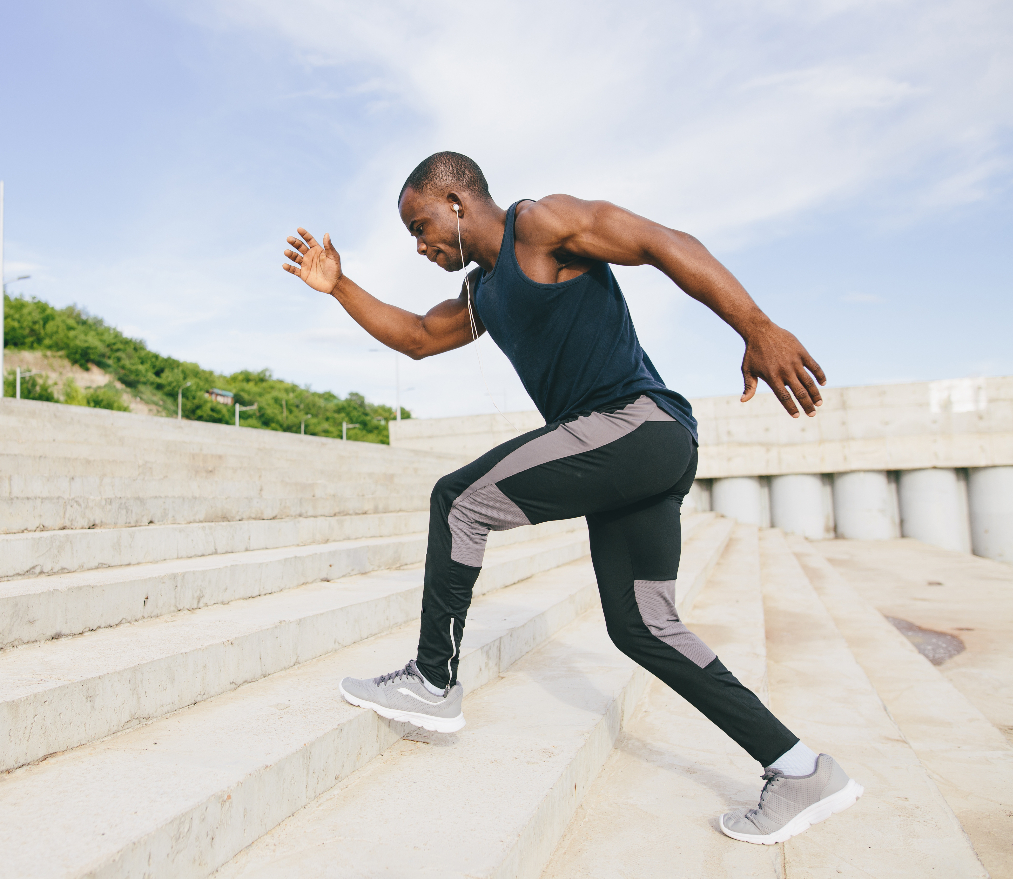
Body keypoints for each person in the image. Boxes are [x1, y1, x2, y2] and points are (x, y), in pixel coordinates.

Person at [280, 151, 863, 845]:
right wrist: (340, 284)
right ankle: (801, 769)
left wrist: (756, 326)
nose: (419, 244)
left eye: (421, 223)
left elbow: (661, 242)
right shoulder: (483, 293)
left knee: (458, 500)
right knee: (643, 625)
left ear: (458, 203)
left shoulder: (542, 226)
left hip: (635, 424)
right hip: (638, 451)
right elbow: (414, 337)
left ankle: (431, 681)